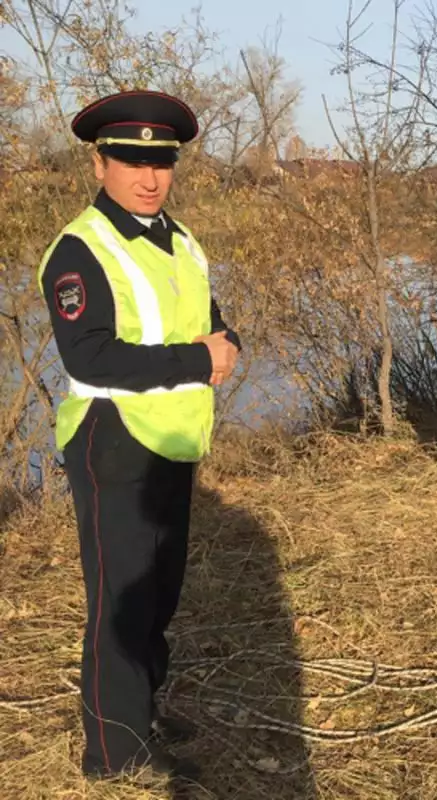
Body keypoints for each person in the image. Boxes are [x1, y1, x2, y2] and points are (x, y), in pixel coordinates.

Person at [39, 90, 241, 781]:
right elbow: (89, 356)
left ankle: (142, 711)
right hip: (113, 439)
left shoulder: (180, 239)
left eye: (162, 161)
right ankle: (116, 757)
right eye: (130, 159)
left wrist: (228, 340)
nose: (149, 176)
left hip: (173, 439)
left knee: (158, 592)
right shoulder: (80, 249)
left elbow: (208, 316)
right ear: (100, 163)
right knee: (120, 602)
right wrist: (199, 359)